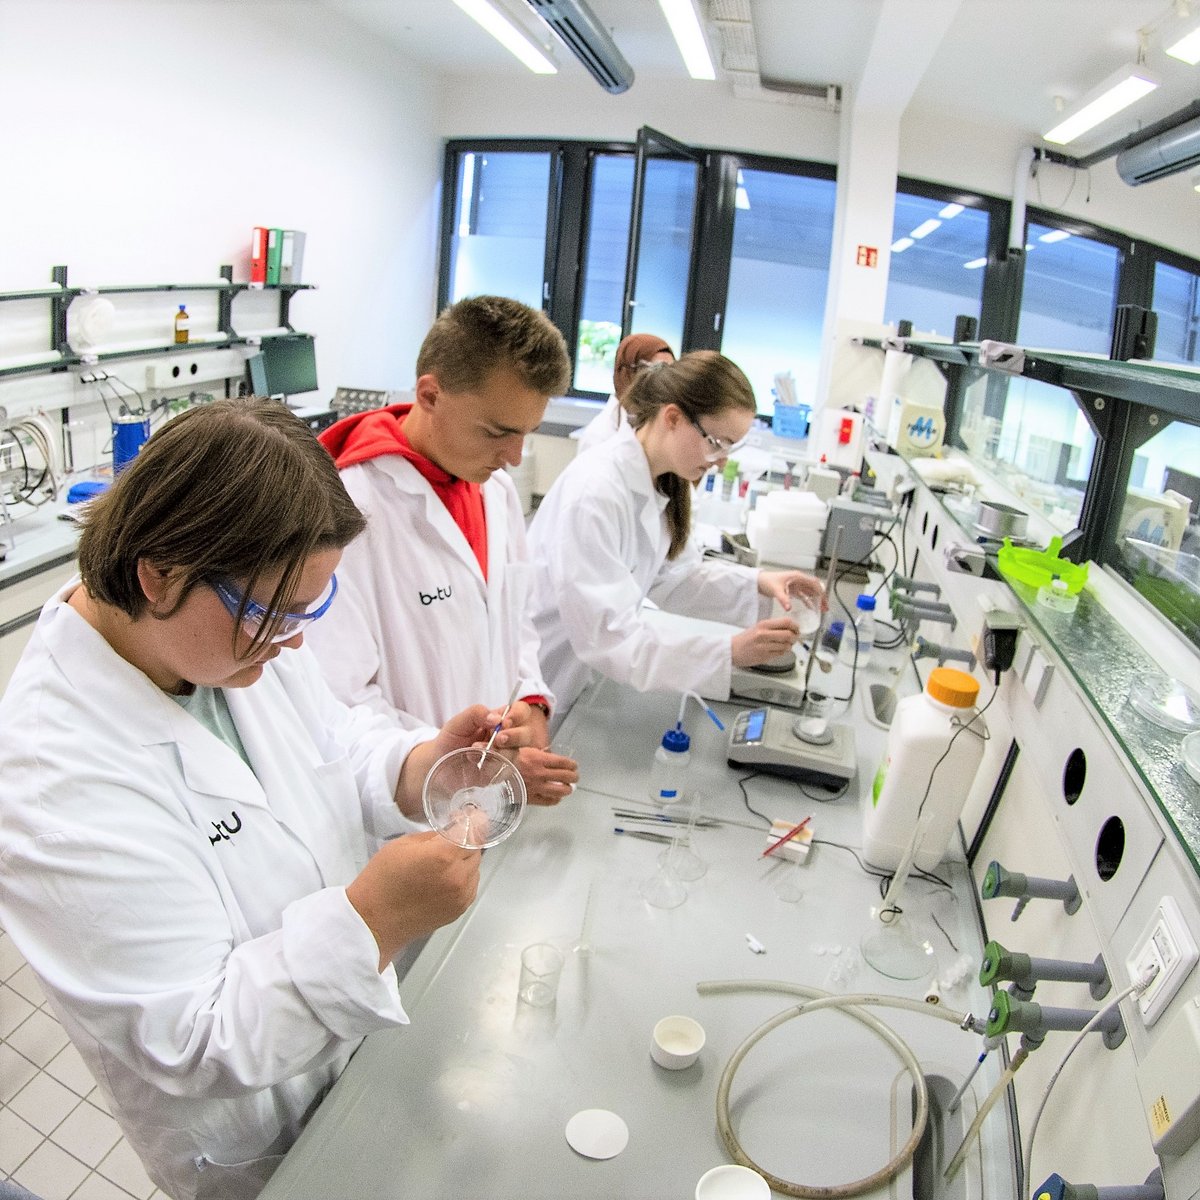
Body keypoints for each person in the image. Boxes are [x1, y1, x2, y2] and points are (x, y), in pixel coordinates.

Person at [0, 398, 540, 1200]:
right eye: (278, 612)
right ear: (159, 575)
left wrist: (424, 762)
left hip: (356, 1063)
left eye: (310, 607)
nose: (296, 637)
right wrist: (374, 920)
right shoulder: (52, 777)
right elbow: (192, 1037)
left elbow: (333, 744)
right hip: (260, 1137)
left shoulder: (237, 637)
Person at [307, 295, 578, 806]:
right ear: (430, 395)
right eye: (499, 432)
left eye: (526, 433)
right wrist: (462, 762)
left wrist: (533, 705)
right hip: (398, 816)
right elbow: (335, 703)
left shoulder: (492, 488)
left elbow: (515, 623)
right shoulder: (349, 511)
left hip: (484, 799)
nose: (515, 457)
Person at [527, 351, 826, 722]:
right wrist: (729, 651)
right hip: (547, 682)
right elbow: (610, 638)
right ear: (672, 418)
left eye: (732, 446)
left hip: (586, 684)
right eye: (717, 442)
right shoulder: (595, 493)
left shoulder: (662, 481)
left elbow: (674, 579)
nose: (722, 461)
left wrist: (761, 584)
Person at [573, 331, 675, 455]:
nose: (665, 383)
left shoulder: (659, 425)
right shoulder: (599, 435)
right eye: (656, 371)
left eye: (671, 373)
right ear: (627, 374)